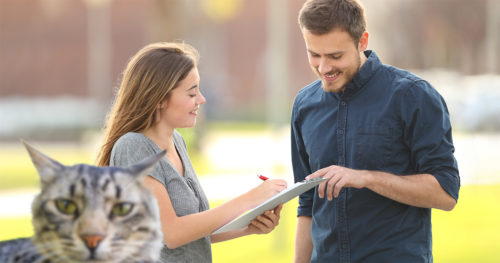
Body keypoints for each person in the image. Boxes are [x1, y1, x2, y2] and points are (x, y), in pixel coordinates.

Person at [290, 0, 460, 262]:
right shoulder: (304, 106)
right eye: (314, 55)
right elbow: (308, 204)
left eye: (335, 56)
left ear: (362, 41)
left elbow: (446, 193)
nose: (324, 68)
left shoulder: (412, 96)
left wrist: (366, 178)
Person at [96, 42, 287, 263]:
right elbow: (172, 234)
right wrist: (250, 198)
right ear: (159, 98)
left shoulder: (176, 142)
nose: (202, 99)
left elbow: (193, 232)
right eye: (192, 93)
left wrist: (249, 226)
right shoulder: (133, 147)